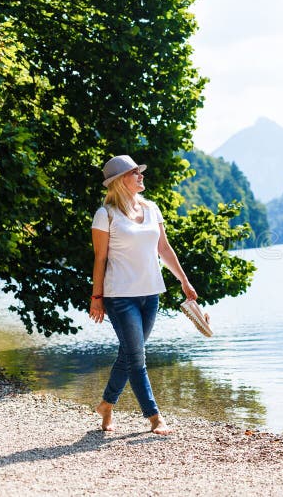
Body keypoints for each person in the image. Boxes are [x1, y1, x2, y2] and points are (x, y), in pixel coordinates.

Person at [89, 154, 201, 435]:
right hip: (120, 297)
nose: (141, 176)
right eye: (135, 173)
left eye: (140, 172)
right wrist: (97, 298)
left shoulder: (152, 209)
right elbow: (100, 259)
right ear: (119, 181)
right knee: (137, 358)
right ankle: (154, 417)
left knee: (129, 355)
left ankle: (106, 404)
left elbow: (164, 249)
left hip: (151, 294)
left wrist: (184, 282)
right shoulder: (106, 215)